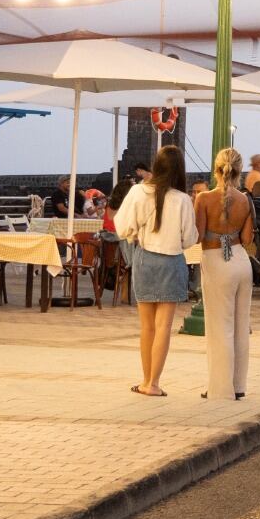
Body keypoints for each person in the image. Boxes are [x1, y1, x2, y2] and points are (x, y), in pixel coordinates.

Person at [116, 145, 197, 399]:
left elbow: (122, 227)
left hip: (145, 260)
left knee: (146, 327)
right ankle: (154, 382)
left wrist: (136, 236)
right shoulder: (182, 199)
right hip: (172, 261)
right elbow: (190, 238)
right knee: (164, 327)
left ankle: (145, 380)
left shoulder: (137, 192)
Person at [195, 148, 254, 400]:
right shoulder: (245, 200)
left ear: (216, 168)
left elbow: (197, 235)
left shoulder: (204, 199)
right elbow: (247, 238)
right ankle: (238, 386)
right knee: (241, 326)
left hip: (216, 261)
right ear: (240, 171)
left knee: (220, 327)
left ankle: (220, 390)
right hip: (241, 261)